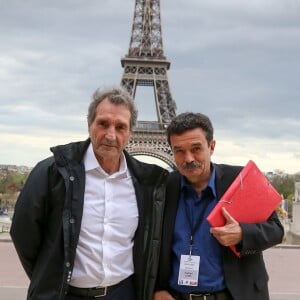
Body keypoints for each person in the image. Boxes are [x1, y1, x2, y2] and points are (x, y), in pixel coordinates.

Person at [10, 86, 169, 300]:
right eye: (103, 123)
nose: (111, 135)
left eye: (120, 127)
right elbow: (23, 232)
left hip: (122, 293)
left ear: (130, 132)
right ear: (89, 124)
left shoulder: (146, 184)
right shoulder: (52, 172)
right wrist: (48, 278)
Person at [154, 112, 284, 300]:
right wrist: (156, 289)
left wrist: (242, 234)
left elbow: (276, 230)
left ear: (212, 146)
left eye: (196, 148)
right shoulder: (164, 187)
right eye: (179, 150)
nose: (188, 158)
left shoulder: (240, 180)